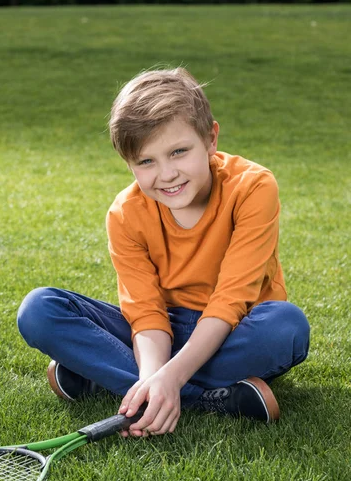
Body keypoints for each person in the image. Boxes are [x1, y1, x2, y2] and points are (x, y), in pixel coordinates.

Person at [17, 67, 310, 438]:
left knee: (287, 327)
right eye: (146, 162)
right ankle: (203, 397)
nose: (167, 173)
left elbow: (231, 300)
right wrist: (156, 375)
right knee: (40, 309)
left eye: (179, 152)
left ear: (210, 139)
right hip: (161, 332)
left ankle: (108, 378)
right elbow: (146, 314)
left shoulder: (253, 187)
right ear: (129, 164)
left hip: (236, 328)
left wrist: (170, 375)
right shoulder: (125, 214)